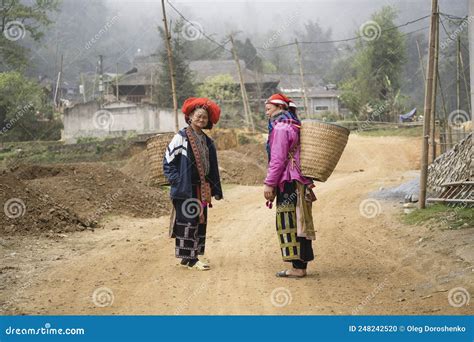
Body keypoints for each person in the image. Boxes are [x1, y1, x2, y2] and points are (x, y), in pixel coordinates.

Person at [163, 97, 223, 271]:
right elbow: (168, 161)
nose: (201, 120)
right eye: (198, 116)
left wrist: (216, 188)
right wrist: (177, 181)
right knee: (188, 221)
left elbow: (211, 168)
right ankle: (191, 259)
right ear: (189, 116)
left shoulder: (206, 141)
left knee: (199, 221)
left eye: (204, 117)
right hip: (186, 188)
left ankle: (188, 256)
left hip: (201, 188)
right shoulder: (181, 137)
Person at [264, 93, 316, 278]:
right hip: (300, 180)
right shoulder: (295, 124)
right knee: (300, 219)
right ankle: (301, 265)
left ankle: (297, 267)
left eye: (269, 105)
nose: (266, 108)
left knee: (289, 221)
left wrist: (269, 184)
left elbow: (277, 160)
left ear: (279, 106)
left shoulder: (280, 128)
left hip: (288, 180)